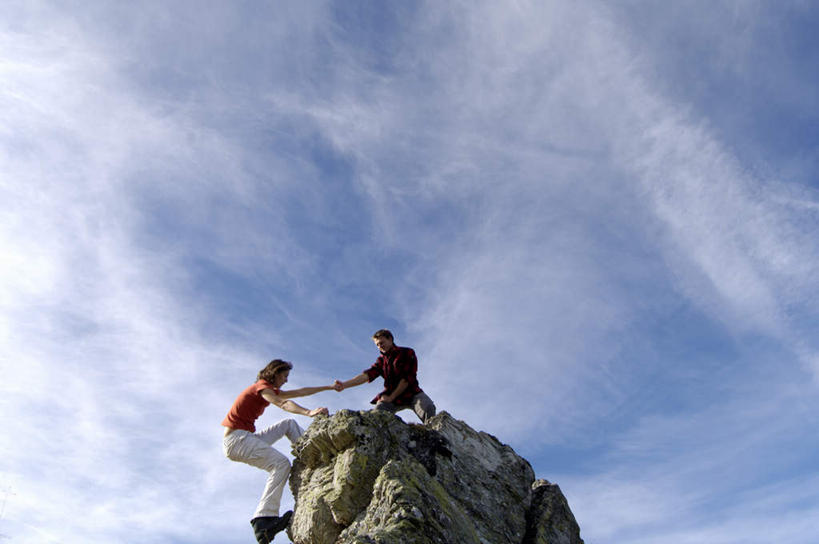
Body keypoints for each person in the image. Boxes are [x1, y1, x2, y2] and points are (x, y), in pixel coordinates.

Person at [222, 359, 332, 544]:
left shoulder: (268, 389)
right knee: (281, 464)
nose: (286, 380)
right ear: (275, 373)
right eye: (284, 376)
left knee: (288, 424)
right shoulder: (262, 388)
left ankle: (311, 453)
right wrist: (309, 412)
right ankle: (262, 520)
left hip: (245, 438)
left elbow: (300, 392)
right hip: (237, 441)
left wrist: (329, 387)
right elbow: (284, 404)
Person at [334, 329, 436, 423]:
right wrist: (344, 385)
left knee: (428, 408)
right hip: (390, 397)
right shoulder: (381, 361)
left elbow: (407, 379)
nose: (380, 346)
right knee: (376, 417)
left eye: (382, 343)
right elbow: (366, 376)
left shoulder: (407, 352)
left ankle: (434, 434)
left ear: (390, 339)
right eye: (377, 345)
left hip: (412, 393)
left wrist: (392, 397)